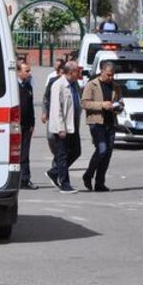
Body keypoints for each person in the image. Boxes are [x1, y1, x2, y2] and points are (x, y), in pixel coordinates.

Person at [81, 61, 121, 192]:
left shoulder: (115, 86)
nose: (111, 78)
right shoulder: (91, 85)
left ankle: (100, 182)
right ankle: (88, 174)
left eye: (113, 75)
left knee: (108, 153)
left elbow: (119, 102)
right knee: (102, 150)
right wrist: (102, 105)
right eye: (109, 75)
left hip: (110, 122)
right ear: (102, 71)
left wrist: (118, 107)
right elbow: (85, 103)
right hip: (96, 122)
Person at [46, 61, 82, 193]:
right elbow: (56, 109)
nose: (78, 74)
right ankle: (64, 183)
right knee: (62, 155)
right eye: (76, 71)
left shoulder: (74, 85)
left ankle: (54, 172)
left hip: (73, 125)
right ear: (70, 72)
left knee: (76, 152)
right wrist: (61, 128)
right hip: (62, 128)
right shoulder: (58, 85)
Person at [17, 60, 38, 190]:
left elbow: (30, 107)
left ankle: (25, 179)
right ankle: (16, 179)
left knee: (25, 153)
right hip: (16, 125)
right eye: (27, 71)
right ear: (18, 72)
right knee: (15, 153)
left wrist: (32, 122)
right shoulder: (13, 87)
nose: (29, 73)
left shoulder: (28, 86)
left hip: (26, 125)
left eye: (29, 70)